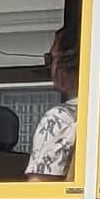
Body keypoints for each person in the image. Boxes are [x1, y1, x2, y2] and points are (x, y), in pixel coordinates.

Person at [25, 28, 79, 184]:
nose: (49, 68)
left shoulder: (60, 118)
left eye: (50, 59)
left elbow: (38, 186)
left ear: (64, 66)